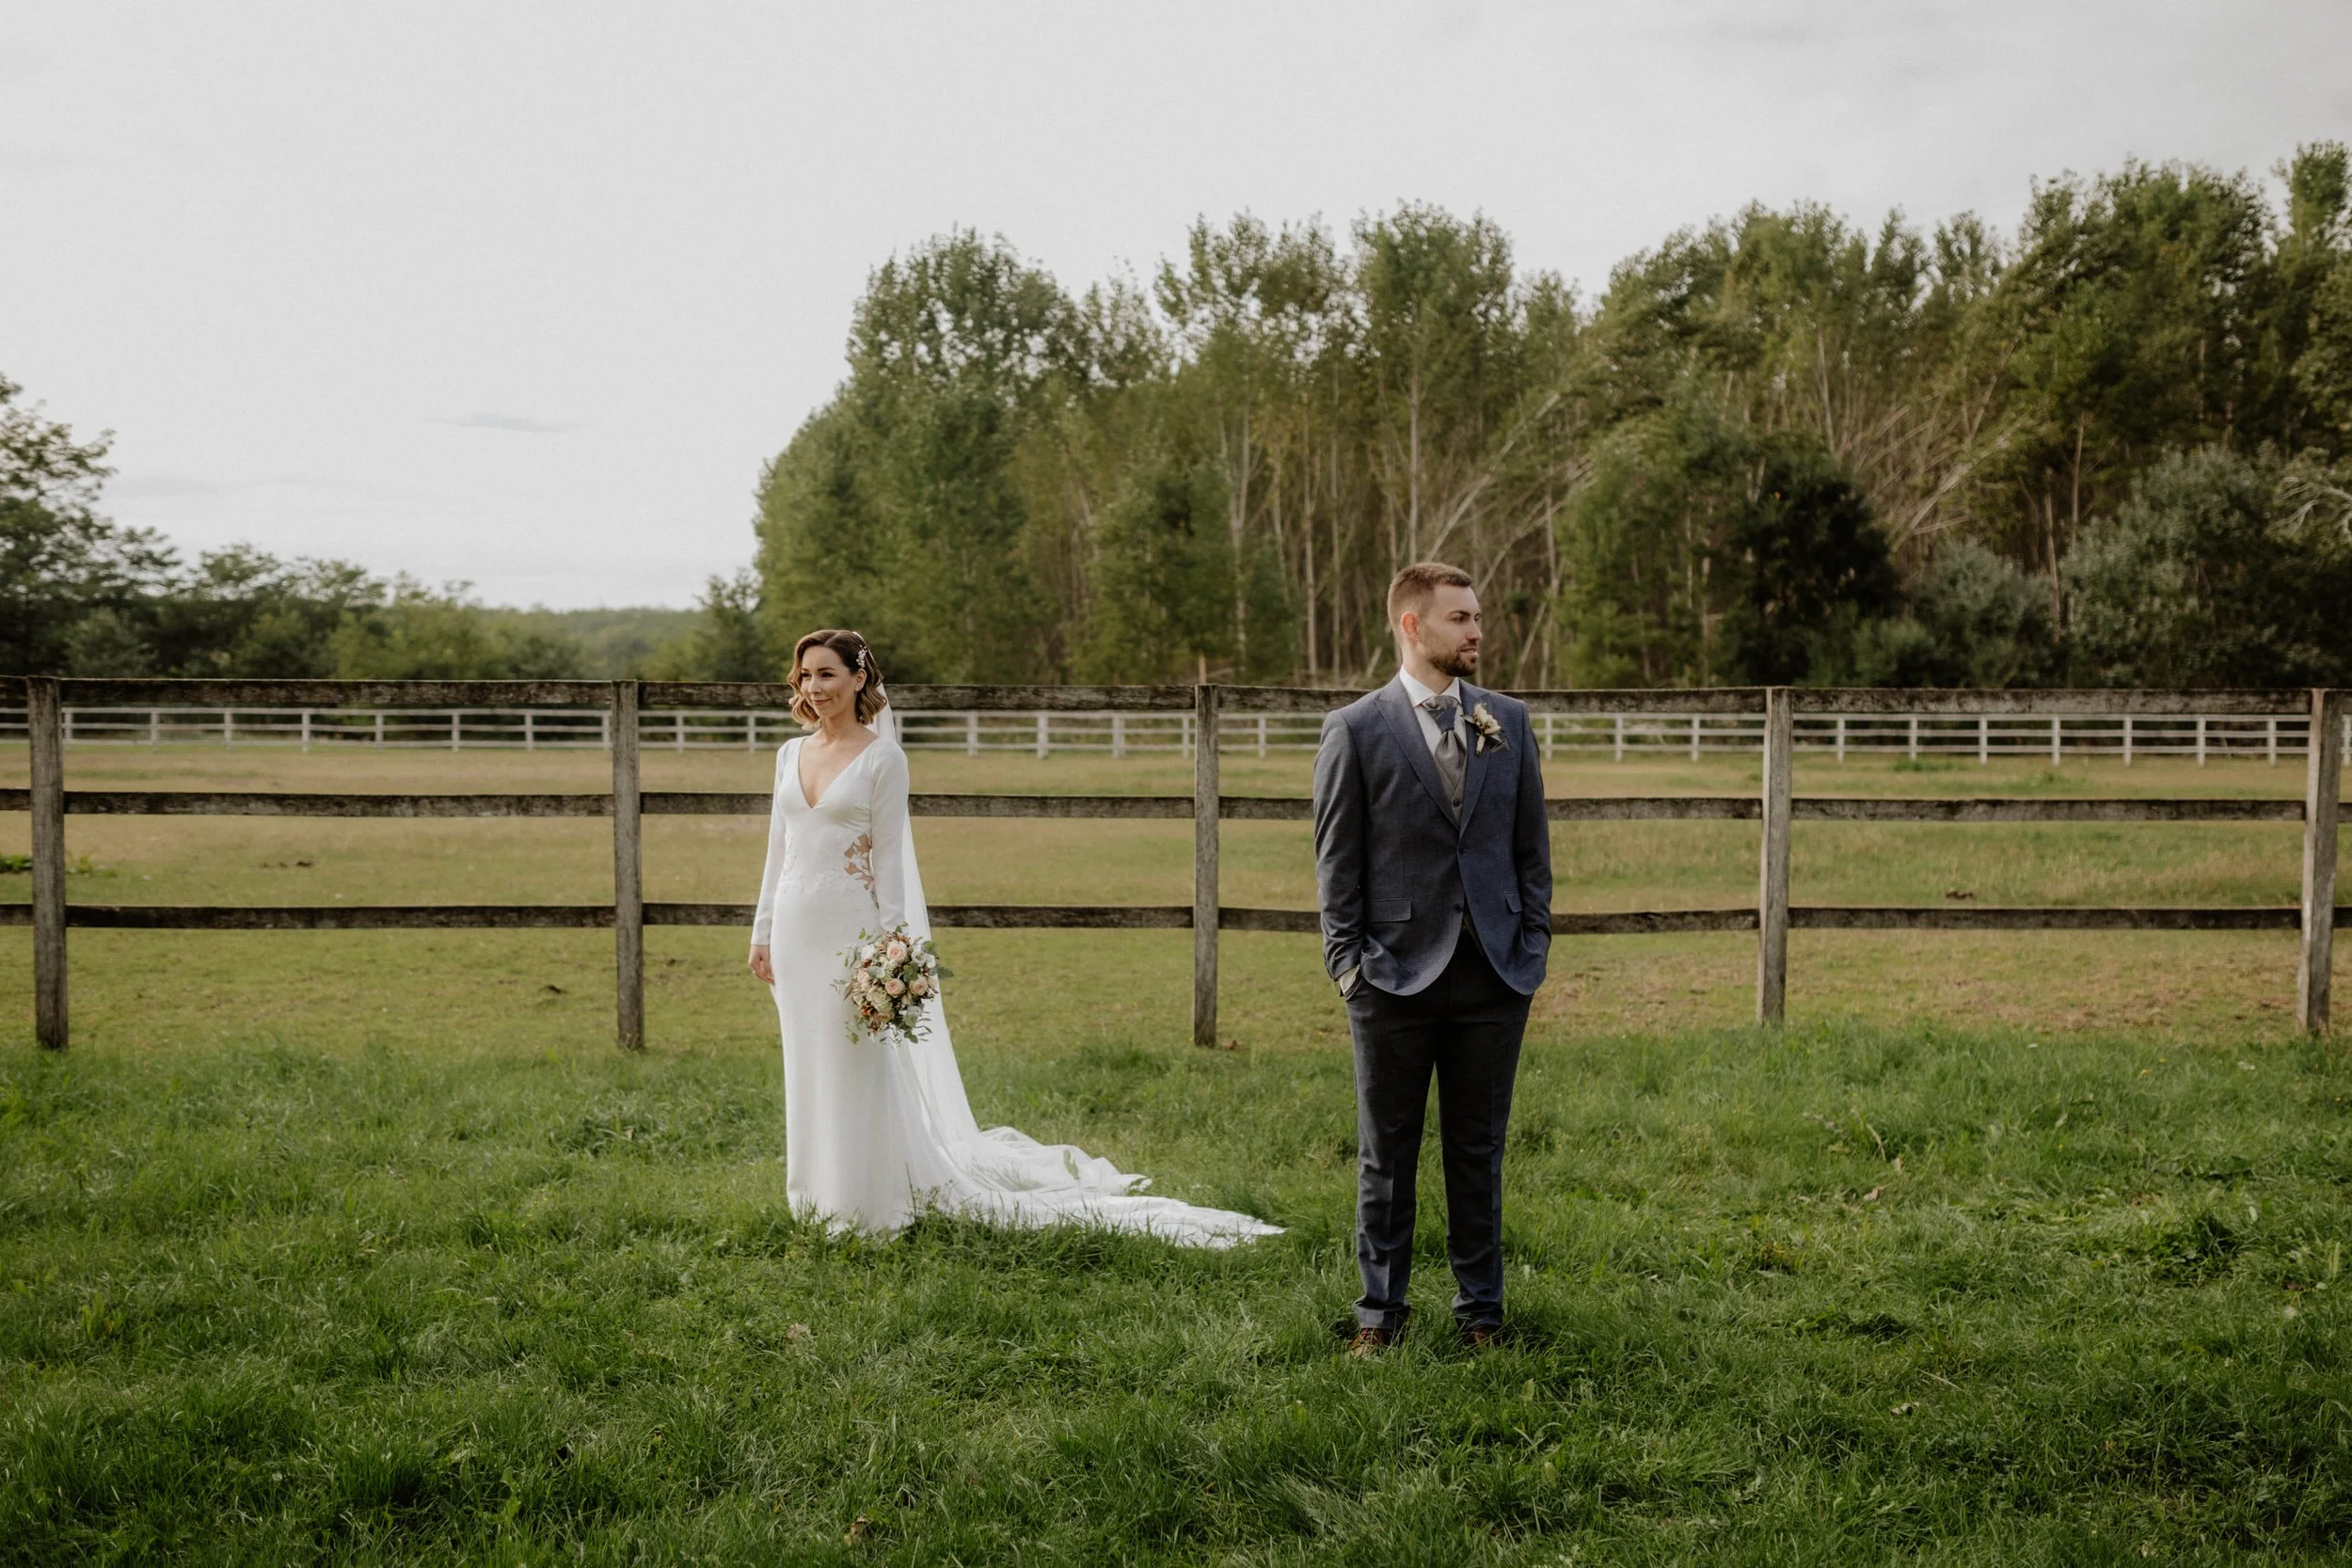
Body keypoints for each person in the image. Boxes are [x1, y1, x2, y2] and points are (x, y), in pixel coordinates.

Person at [748, 626, 1279, 1247]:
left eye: (828, 674)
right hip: (793, 933)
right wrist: (761, 931)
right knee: (805, 1064)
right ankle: (811, 1198)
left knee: (854, 1067)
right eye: (806, 675)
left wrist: (892, 952)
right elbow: (777, 850)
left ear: (859, 678)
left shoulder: (882, 758)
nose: (815, 687)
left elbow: (891, 864)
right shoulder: (788, 753)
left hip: (852, 936)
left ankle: (864, 1202)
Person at [1311, 563, 1551, 1354]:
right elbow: (1337, 865)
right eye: (1460, 618)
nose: (1477, 630)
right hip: (1390, 978)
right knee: (1387, 1154)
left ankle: (1482, 1313)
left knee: (1478, 1151)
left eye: (1478, 615)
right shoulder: (1356, 729)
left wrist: (1531, 948)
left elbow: (1530, 852)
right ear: (1413, 626)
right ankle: (1379, 1315)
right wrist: (1350, 968)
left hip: (1493, 974)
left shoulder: (1507, 721)